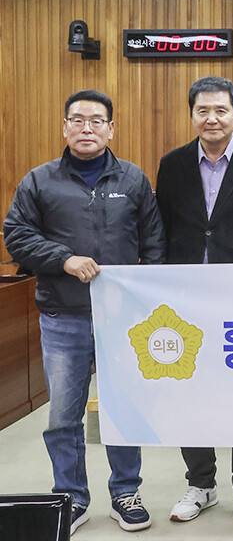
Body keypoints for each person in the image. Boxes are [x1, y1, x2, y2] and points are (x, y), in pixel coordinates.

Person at [3, 90, 163, 535]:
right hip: (63, 317)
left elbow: (154, 243)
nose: (86, 128)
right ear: (65, 127)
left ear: (111, 128)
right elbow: (16, 234)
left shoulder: (132, 179)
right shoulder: (39, 181)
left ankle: (125, 493)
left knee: (123, 409)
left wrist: (144, 299)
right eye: (77, 120)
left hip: (122, 321)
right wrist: (63, 259)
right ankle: (70, 498)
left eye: (96, 121)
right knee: (63, 417)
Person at [155, 76, 233, 523]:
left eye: (221, 110)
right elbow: (164, 230)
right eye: (203, 111)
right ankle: (201, 483)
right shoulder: (172, 165)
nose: (212, 118)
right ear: (192, 114)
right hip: (185, 300)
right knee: (190, 391)